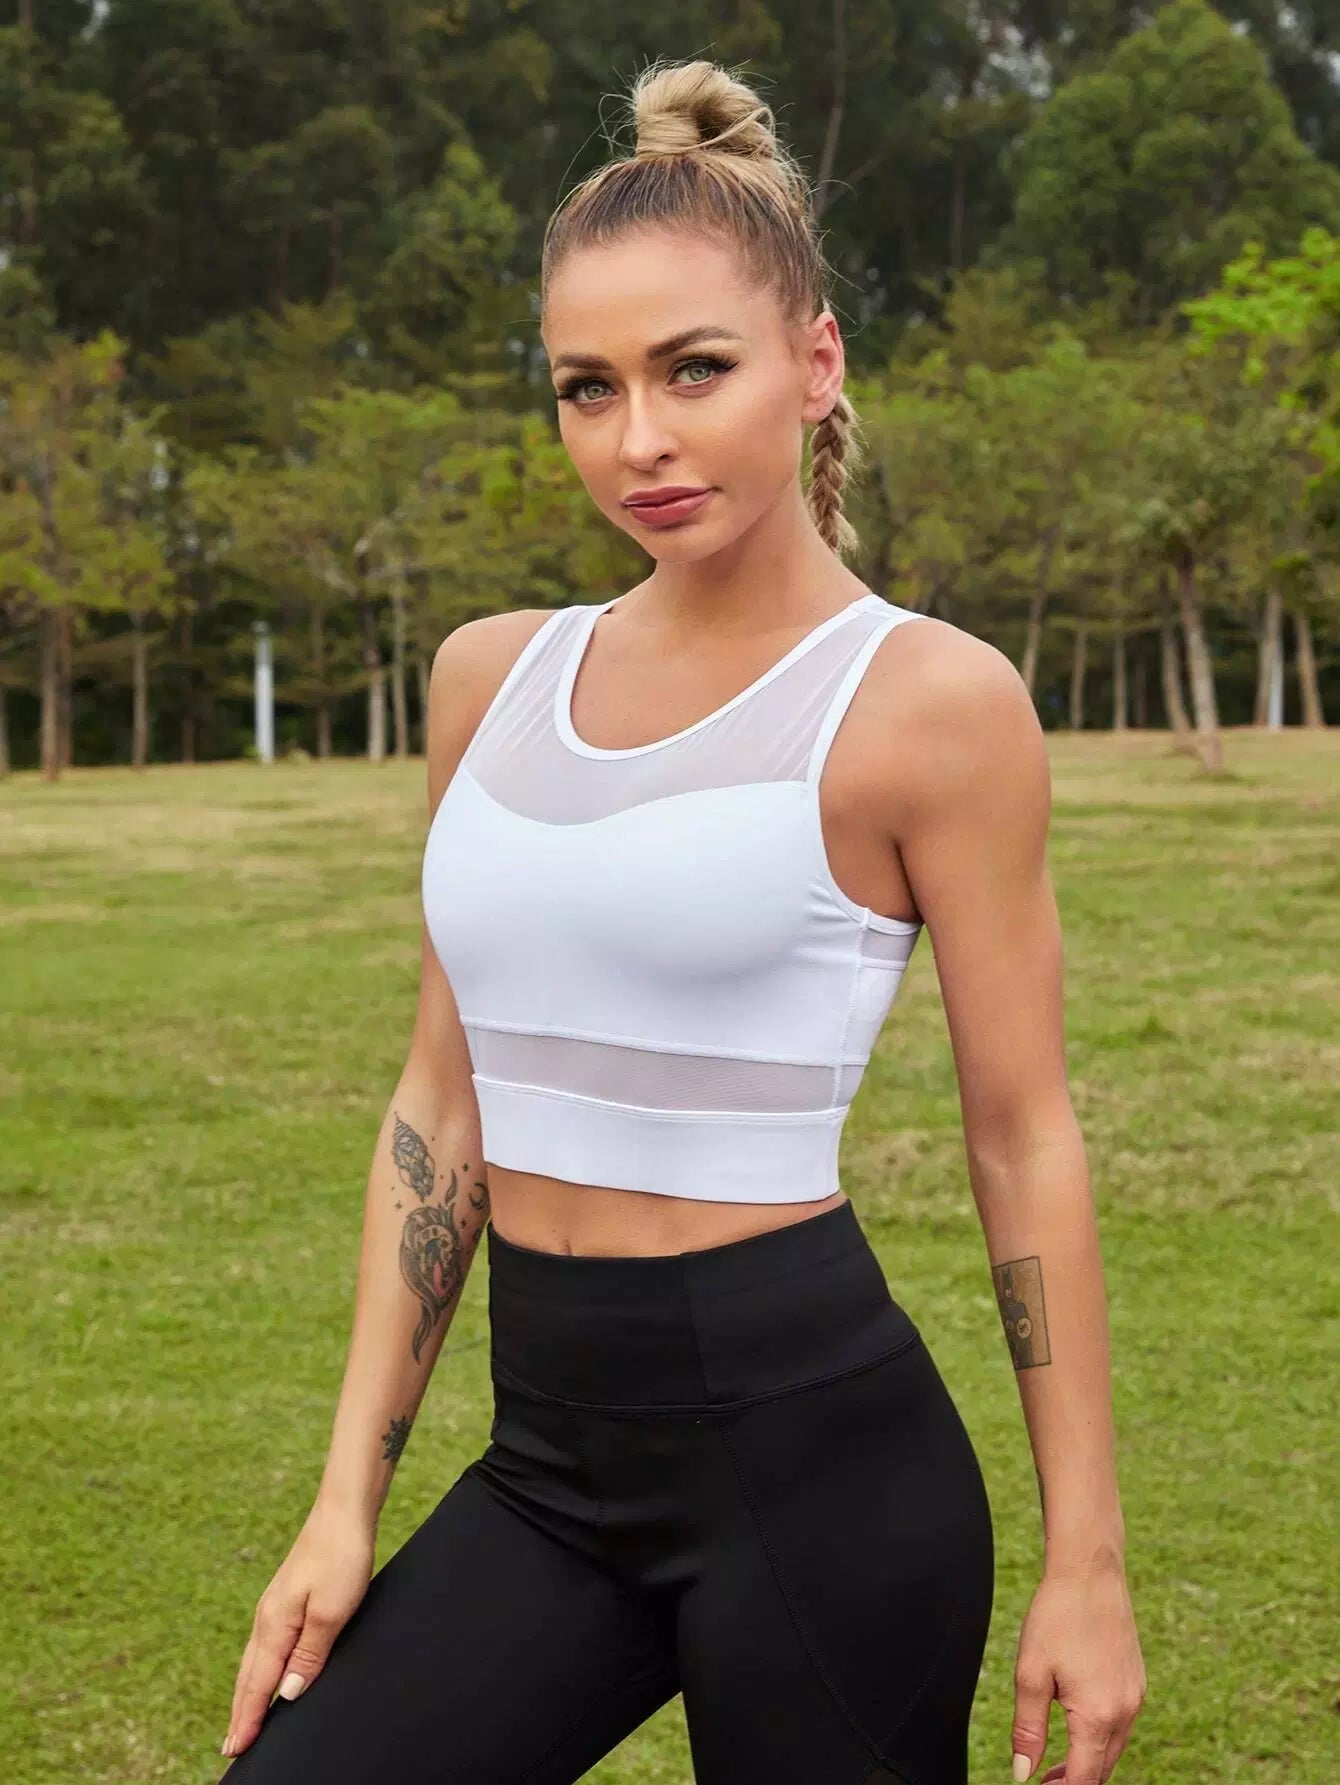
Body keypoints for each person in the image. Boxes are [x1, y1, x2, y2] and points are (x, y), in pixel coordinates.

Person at [218, 57, 1145, 1785]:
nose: (636, 438)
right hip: (547, 1464)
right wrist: (344, 1501)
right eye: (588, 387)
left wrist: (1085, 1560)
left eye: (693, 369)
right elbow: (443, 1106)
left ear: (817, 364)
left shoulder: (927, 703)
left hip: (823, 1476)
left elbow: (1023, 1135)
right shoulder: (491, 680)